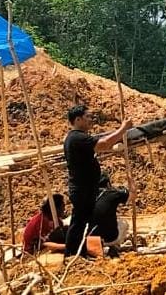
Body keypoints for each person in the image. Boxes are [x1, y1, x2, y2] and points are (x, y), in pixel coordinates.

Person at [63, 105, 132, 257]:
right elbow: (104, 144)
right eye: (87, 117)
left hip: (84, 189)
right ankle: (71, 254)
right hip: (82, 189)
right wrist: (123, 129)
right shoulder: (77, 137)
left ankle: (78, 253)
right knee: (78, 222)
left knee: (81, 222)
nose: (90, 120)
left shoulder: (76, 138)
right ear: (78, 119)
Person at [91, 174, 130, 254]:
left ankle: (101, 247)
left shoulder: (88, 195)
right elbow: (130, 195)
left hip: (91, 239)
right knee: (124, 224)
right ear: (108, 184)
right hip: (110, 238)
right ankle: (114, 245)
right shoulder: (112, 193)